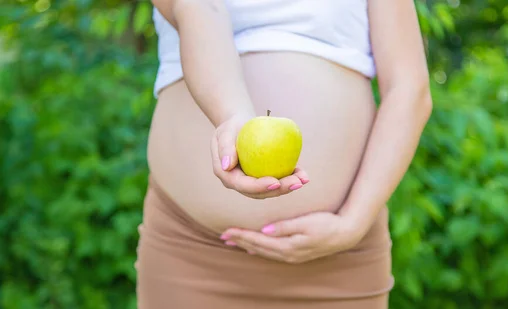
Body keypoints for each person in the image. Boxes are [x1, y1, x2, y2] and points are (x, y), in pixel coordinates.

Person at [135, 0, 432, 308]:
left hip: (337, 260)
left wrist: (352, 223)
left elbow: (409, 86)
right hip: (189, 250)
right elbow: (199, 8)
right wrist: (235, 119)